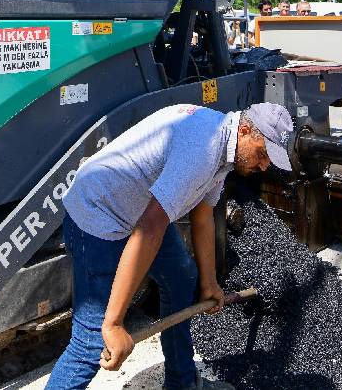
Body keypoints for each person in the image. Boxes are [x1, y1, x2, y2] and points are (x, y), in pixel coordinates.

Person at [48, 103, 297, 388]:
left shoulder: (226, 149)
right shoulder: (203, 148)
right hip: (99, 212)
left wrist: (210, 282)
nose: (264, 166)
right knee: (92, 341)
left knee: (180, 278)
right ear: (245, 131)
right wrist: (114, 323)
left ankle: (181, 381)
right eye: (263, 154)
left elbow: (203, 214)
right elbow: (149, 230)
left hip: (139, 208)